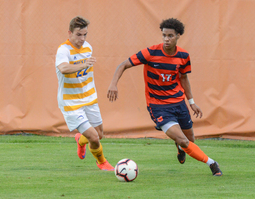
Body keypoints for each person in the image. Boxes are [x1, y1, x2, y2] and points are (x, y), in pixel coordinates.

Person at [107, 18, 222, 176]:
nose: (166, 39)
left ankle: (180, 148)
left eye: (170, 36)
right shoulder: (150, 53)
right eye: (164, 35)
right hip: (158, 106)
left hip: (179, 102)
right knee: (183, 140)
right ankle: (212, 164)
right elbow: (124, 64)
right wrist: (113, 84)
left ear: (178, 36)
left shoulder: (183, 56)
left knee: (190, 141)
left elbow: (183, 79)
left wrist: (192, 102)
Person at [55, 16, 114, 171]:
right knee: (93, 137)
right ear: (69, 33)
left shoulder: (88, 47)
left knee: (99, 134)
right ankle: (102, 162)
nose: (82, 38)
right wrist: (83, 65)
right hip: (71, 102)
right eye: (78, 35)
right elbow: (63, 69)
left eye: (85, 34)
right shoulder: (63, 50)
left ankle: (80, 140)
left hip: (89, 98)